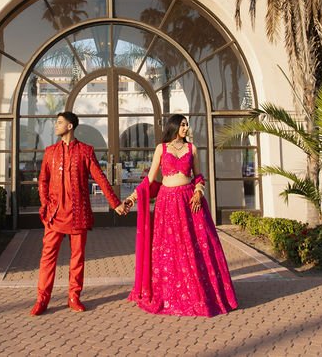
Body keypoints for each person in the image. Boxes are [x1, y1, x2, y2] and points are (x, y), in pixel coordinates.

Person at [123, 114, 237, 316]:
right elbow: (150, 179)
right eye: (182, 124)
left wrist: (198, 192)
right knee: (169, 248)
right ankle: (170, 293)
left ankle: (198, 293)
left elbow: (199, 176)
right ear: (174, 126)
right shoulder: (162, 148)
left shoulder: (192, 149)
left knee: (195, 247)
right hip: (166, 203)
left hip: (188, 202)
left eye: (186, 124)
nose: (185, 128)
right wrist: (132, 198)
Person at [31, 111, 128, 316]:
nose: (55, 126)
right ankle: (42, 299)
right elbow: (43, 181)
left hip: (78, 214)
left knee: (77, 258)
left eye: (59, 123)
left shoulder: (85, 151)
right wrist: (45, 204)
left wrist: (115, 203)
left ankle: (74, 297)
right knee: (47, 258)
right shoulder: (50, 152)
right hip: (54, 214)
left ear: (70, 126)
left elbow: (100, 178)